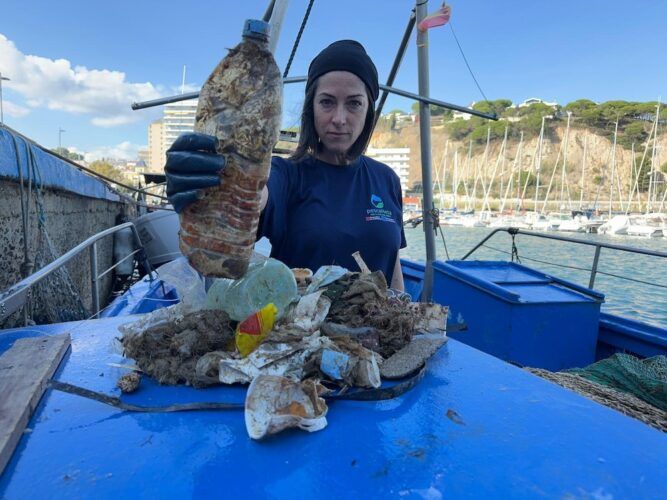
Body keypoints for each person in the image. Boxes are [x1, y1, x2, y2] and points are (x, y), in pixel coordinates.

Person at [165, 40, 406, 290]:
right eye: (327, 102)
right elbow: (257, 195)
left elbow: (393, 263)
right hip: (300, 326)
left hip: (380, 325)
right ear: (310, 108)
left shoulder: (387, 179)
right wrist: (216, 186)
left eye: (354, 103)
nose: (339, 119)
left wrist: (407, 317)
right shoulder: (286, 173)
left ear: (369, 110)